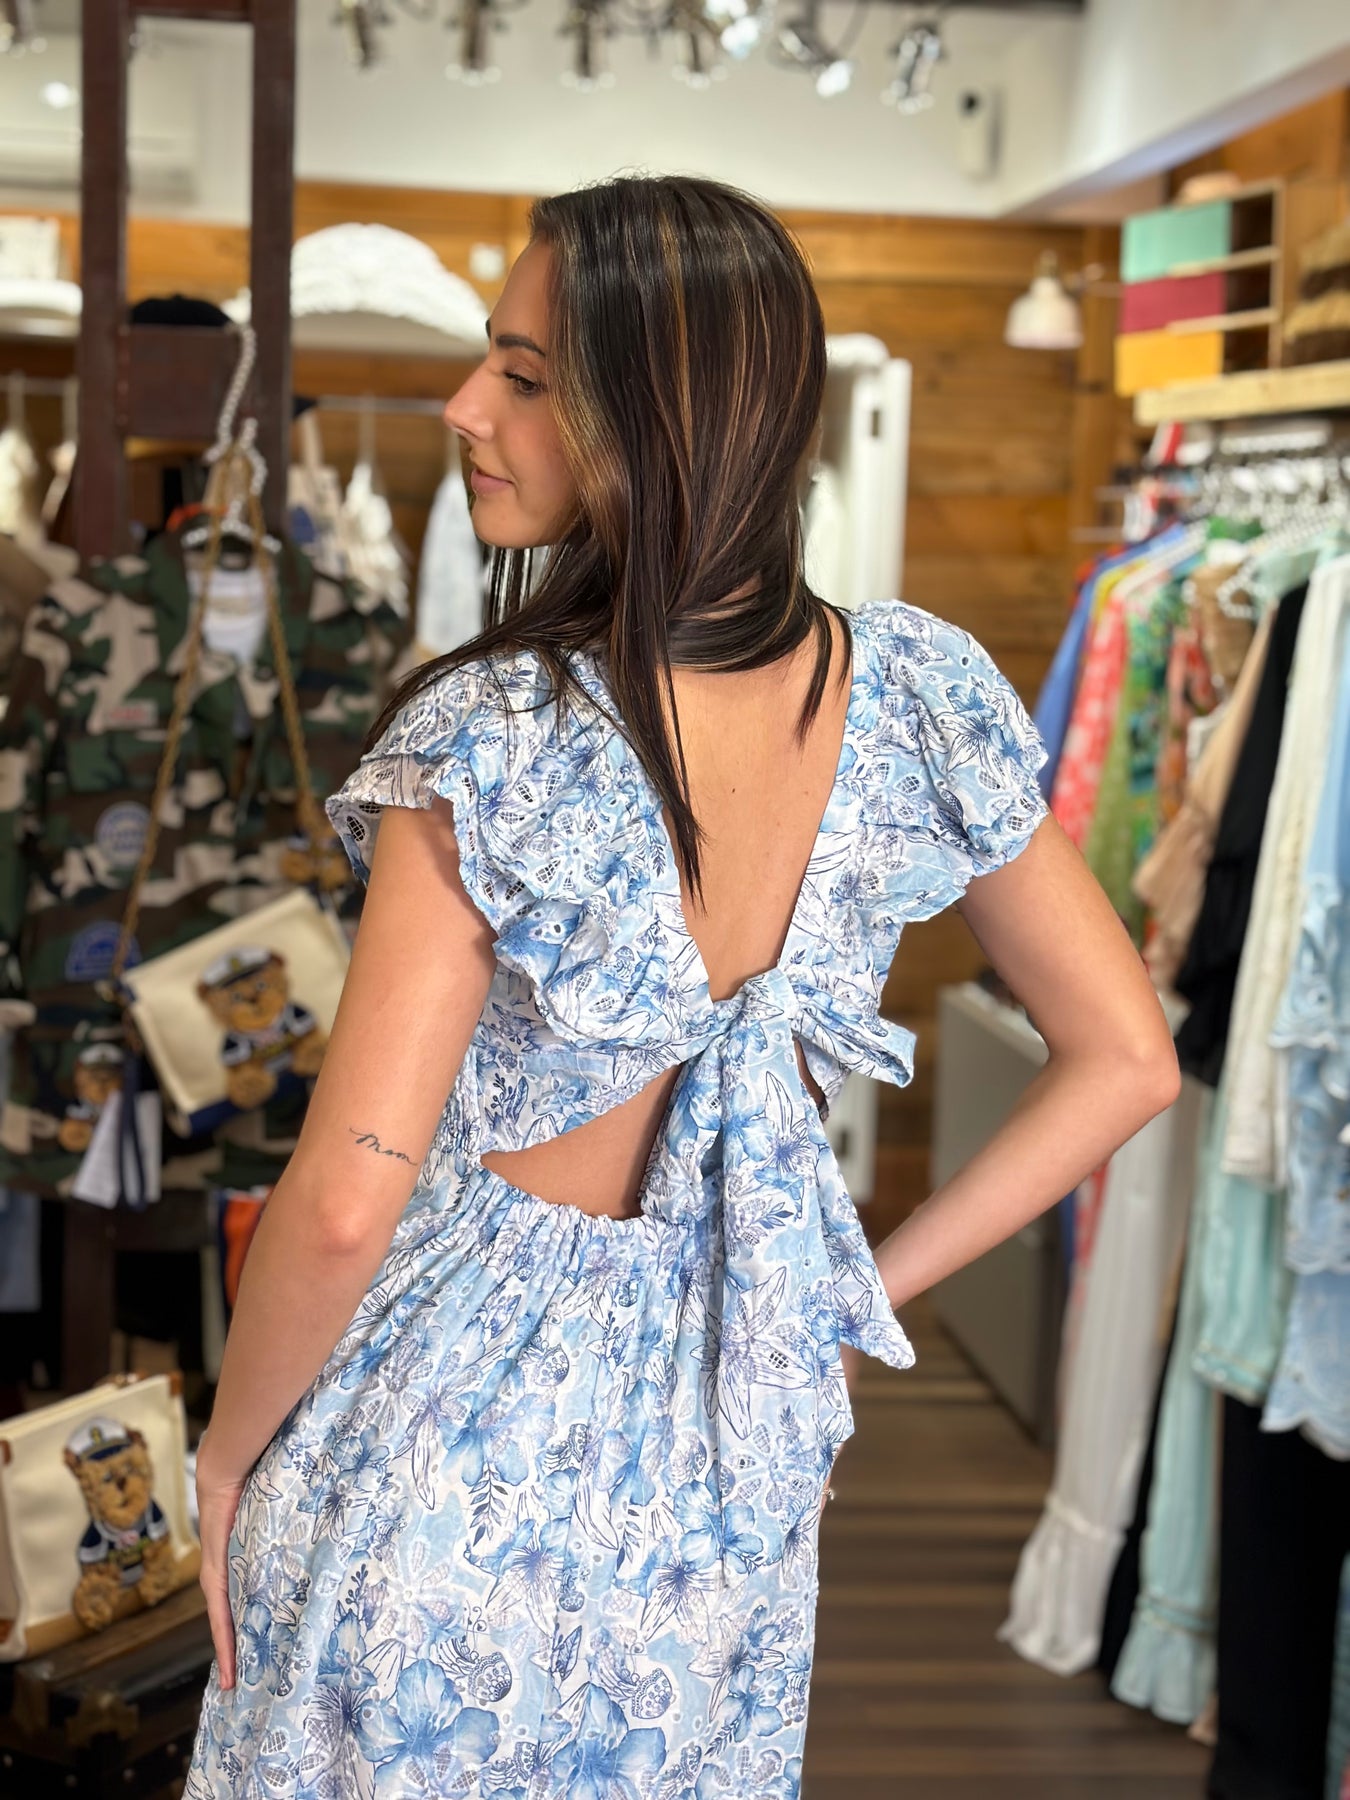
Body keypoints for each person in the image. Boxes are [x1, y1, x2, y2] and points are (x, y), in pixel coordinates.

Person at [186, 175, 1179, 1798]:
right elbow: (1128, 1059)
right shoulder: (916, 690)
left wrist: (229, 1455)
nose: (463, 408)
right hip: (731, 1433)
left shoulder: (492, 733)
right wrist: (849, 1306)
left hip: (436, 1430)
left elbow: (351, 1198)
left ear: (660, 415)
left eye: (521, 375)